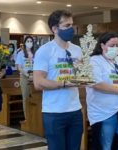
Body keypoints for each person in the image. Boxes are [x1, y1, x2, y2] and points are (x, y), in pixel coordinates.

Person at [33, 10, 83, 150]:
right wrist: (64, 83)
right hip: (54, 111)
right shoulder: (45, 51)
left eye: (72, 25)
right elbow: (38, 82)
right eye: (67, 25)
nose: (71, 29)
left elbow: (82, 76)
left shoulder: (77, 50)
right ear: (55, 29)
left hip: (75, 109)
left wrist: (84, 76)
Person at [87, 32, 118, 150]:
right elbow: (96, 83)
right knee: (106, 146)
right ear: (102, 45)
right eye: (112, 45)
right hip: (103, 112)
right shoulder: (94, 61)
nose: (115, 48)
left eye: (117, 45)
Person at [16, 36, 35, 118]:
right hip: (25, 76)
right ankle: (27, 117)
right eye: (28, 41)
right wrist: (27, 74)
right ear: (25, 42)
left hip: (34, 77)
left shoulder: (35, 53)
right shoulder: (20, 53)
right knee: (26, 98)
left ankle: (33, 117)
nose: (29, 42)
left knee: (35, 97)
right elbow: (19, 67)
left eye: (31, 41)